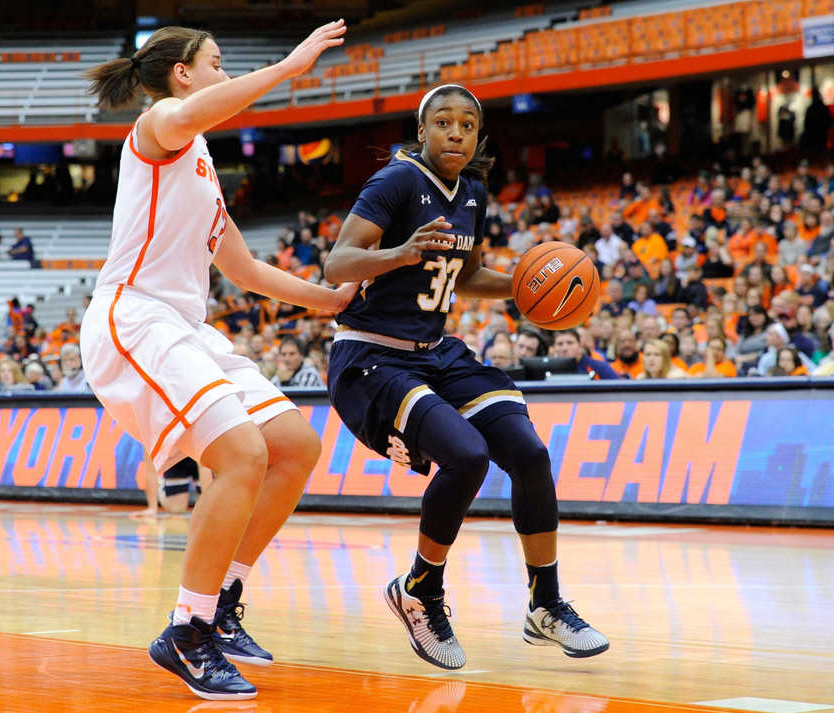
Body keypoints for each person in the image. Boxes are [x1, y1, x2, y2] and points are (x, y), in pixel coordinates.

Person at [79, 20, 353, 701]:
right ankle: (186, 630)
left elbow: (245, 267)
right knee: (241, 454)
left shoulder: (199, 162)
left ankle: (223, 602)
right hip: (134, 317)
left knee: (293, 446)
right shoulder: (160, 125)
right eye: (218, 63)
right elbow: (199, 112)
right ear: (183, 73)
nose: (225, 74)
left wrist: (329, 299)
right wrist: (289, 67)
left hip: (186, 328)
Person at [323, 84, 608, 673]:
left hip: (434, 352)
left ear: (478, 137)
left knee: (527, 452)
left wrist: (532, 282)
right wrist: (398, 254)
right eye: (444, 123)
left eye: (468, 125)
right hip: (371, 357)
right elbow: (338, 263)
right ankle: (420, 591)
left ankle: (546, 603)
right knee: (467, 455)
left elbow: (468, 275)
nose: (456, 132)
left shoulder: (473, 193)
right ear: (422, 131)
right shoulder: (395, 182)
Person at [552, 329, 619, 380]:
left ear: (580, 347)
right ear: (554, 348)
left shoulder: (598, 367)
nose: (564, 348)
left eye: (570, 343)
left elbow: (618, 392)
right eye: (560, 344)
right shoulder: (549, 369)